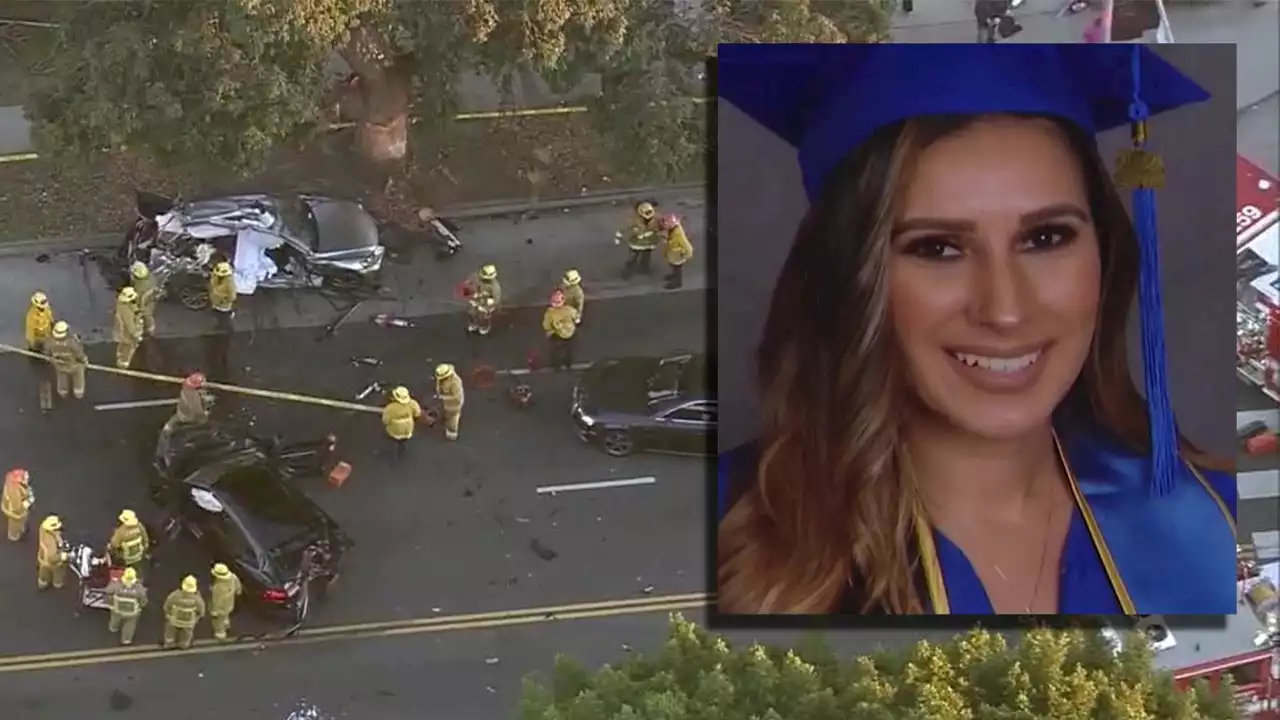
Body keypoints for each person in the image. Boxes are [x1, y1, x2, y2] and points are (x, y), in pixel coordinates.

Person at [715, 44, 1235, 615]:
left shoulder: (1209, 510)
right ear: (848, 280)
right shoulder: (728, 538)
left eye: (1045, 238)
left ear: (1104, 256)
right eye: (937, 248)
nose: (1005, 310)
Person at [43, 320, 88, 401]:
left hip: (60, 366)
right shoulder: (71, 342)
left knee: (62, 378)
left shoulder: (50, 341)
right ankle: (78, 392)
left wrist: (50, 360)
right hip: (74, 365)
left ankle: (62, 391)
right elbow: (79, 354)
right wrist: (85, 361)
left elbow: (47, 353)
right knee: (78, 377)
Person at [105, 566, 148, 646]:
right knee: (129, 626)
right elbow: (143, 600)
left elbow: (107, 591)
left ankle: (113, 628)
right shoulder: (139, 589)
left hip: (117, 611)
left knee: (115, 620)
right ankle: (126, 640)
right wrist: (142, 606)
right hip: (132, 614)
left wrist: (110, 603)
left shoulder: (116, 585)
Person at [617, 201, 660, 278]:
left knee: (646, 257)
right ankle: (628, 272)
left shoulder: (656, 219)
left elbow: (660, 228)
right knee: (632, 258)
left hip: (649, 243)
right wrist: (620, 234)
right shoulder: (634, 220)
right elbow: (627, 227)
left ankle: (644, 269)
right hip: (636, 243)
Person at [162, 575, 206, 649]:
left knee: (170, 632)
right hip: (188, 623)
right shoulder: (197, 599)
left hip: (174, 620)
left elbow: (166, 606)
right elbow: (201, 611)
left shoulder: (175, 595)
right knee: (187, 634)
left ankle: (169, 643)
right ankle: (184, 644)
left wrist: (168, 614)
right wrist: (197, 618)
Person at [381, 385, 423, 460]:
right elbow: (418, 413)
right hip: (407, 430)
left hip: (394, 431)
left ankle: (395, 453)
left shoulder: (390, 408)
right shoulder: (412, 404)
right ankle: (402, 447)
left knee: (393, 439)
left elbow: (385, 420)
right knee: (403, 439)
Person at [542, 289, 579, 371]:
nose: (556, 304)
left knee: (568, 350)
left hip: (569, 333)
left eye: (558, 302)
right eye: (554, 302)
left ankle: (567, 363)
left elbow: (575, 316)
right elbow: (546, 323)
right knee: (556, 350)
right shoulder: (550, 313)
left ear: (563, 301)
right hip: (557, 334)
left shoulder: (568, 310)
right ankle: (557, 365)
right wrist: (549, 331)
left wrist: (576, 320)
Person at [208, 562, 243, 641]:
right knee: (226, 615)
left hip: (220, 608)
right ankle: (226, 624)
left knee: (218, 622)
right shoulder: (233, 577)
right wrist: (238, 592)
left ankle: (220, 634)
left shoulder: (217, 587)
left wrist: (214, 611)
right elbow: (238, 587)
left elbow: (216, 601)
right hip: (230, 603)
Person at [659, 214, 694, 290]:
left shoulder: (677, 234)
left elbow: (685, 245)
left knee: (677, 268)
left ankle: (678, 282)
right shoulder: (674, 230)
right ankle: (674, 276)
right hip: (674, 255)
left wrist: (686, 254)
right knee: (674, 267)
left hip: (679, 256)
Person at [467, 264, 502, 335]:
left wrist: (486, 306)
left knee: (483, 317)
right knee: (472, 313)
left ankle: (484, 326)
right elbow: (469, 283)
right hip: (475, 300)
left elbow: (495, 300)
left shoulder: (495, 287)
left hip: (484, 305)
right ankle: (474, 324)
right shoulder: (476, 277)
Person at [113, 286, 143, 369]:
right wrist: (135, 333)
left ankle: (120, 354)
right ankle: (123, 361)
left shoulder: (121, 304)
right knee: (128, 344)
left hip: (121, 329)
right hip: (125, 331)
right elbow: (130, 324)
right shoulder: (125, 311)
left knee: (123, 343)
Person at [36, 514, 68, 591]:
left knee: (43, 575)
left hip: (43, 559)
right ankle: (57, 583)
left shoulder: (43, 528)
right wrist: (63, 556)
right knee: (58, 573)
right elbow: (52, 558)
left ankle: (42, 583)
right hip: (53, 562)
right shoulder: (51, 543)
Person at [2, 468, 33, 542]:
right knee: (15, 525)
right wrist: (28, 502)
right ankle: (13, 536)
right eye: (25, 477)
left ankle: (21, 528)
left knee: (21, 522)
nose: (27, 478)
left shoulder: (15, 484)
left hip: (19, 510)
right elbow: (17, 508)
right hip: (15, 513)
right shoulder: (14, 492)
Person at [434, 364, 464, 441]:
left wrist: (442, 397)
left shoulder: (455, 383)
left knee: (453, 419)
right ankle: (445, 419)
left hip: (454, 404)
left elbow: (456, 397)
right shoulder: (441, 379)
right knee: (446, 414)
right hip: (445, 403)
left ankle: (452, 433)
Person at [130, 262, 160, 337]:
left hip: (142, 303)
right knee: (148, 314)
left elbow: (137, 298)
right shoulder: (151, 277)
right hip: (151, 300)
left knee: (141, 315)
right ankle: (149, 328)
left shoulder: (139, 287)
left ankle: (141, 330)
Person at [209, 261, 236, 332]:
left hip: (223, 305)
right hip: (216, 301)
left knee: (223, 317)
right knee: (217, 315)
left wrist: (224, 301)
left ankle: (227, 327)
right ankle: (220, 325)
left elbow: (232, 296)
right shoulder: (216, 277)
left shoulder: (229, 282)